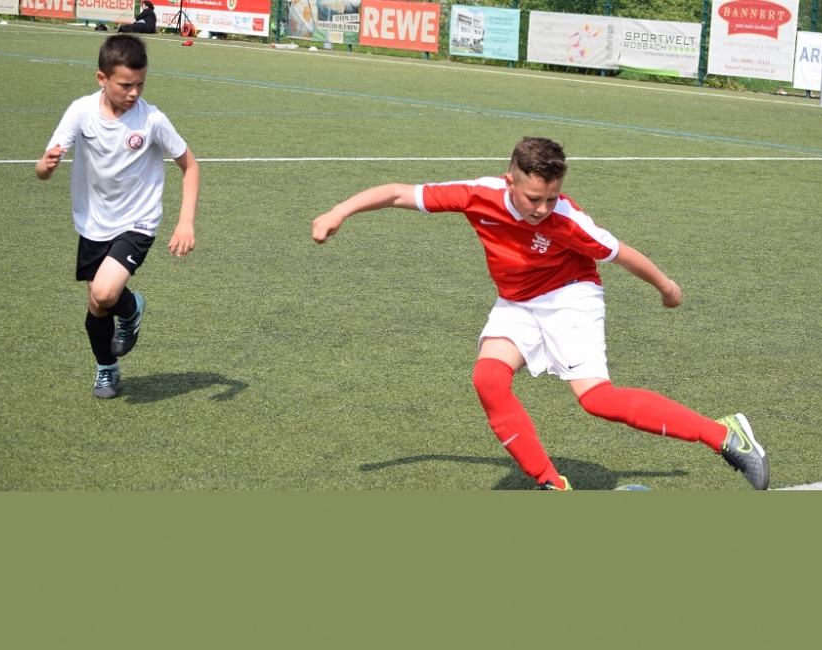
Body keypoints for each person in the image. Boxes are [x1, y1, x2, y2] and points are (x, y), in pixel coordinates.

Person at [311, 137, 769, 490]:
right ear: (509, 181)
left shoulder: (566, 220)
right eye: (533, 198)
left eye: (551, 197)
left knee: (596, 399)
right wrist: (338, 212)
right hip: (516, 302)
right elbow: (397, 193)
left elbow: (622, 254)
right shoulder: (477, 194)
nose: (542, 208)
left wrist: (667, 288)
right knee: (488, 380)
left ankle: (724, 435)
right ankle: (552, 484)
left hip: (570, 297)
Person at [35, 34, 199, 399]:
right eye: (125, 85)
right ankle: (106, 367)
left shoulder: (152, 120)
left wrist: (185, 221)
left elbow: (190, 166)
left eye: (140, 83)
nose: (134, 92)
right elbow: (42, 170)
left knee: (106, 291)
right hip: (93, 223)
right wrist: (47, 165)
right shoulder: (81, 112)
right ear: (102, 78)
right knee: (98, 303)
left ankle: (132, 307)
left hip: (138, 222)